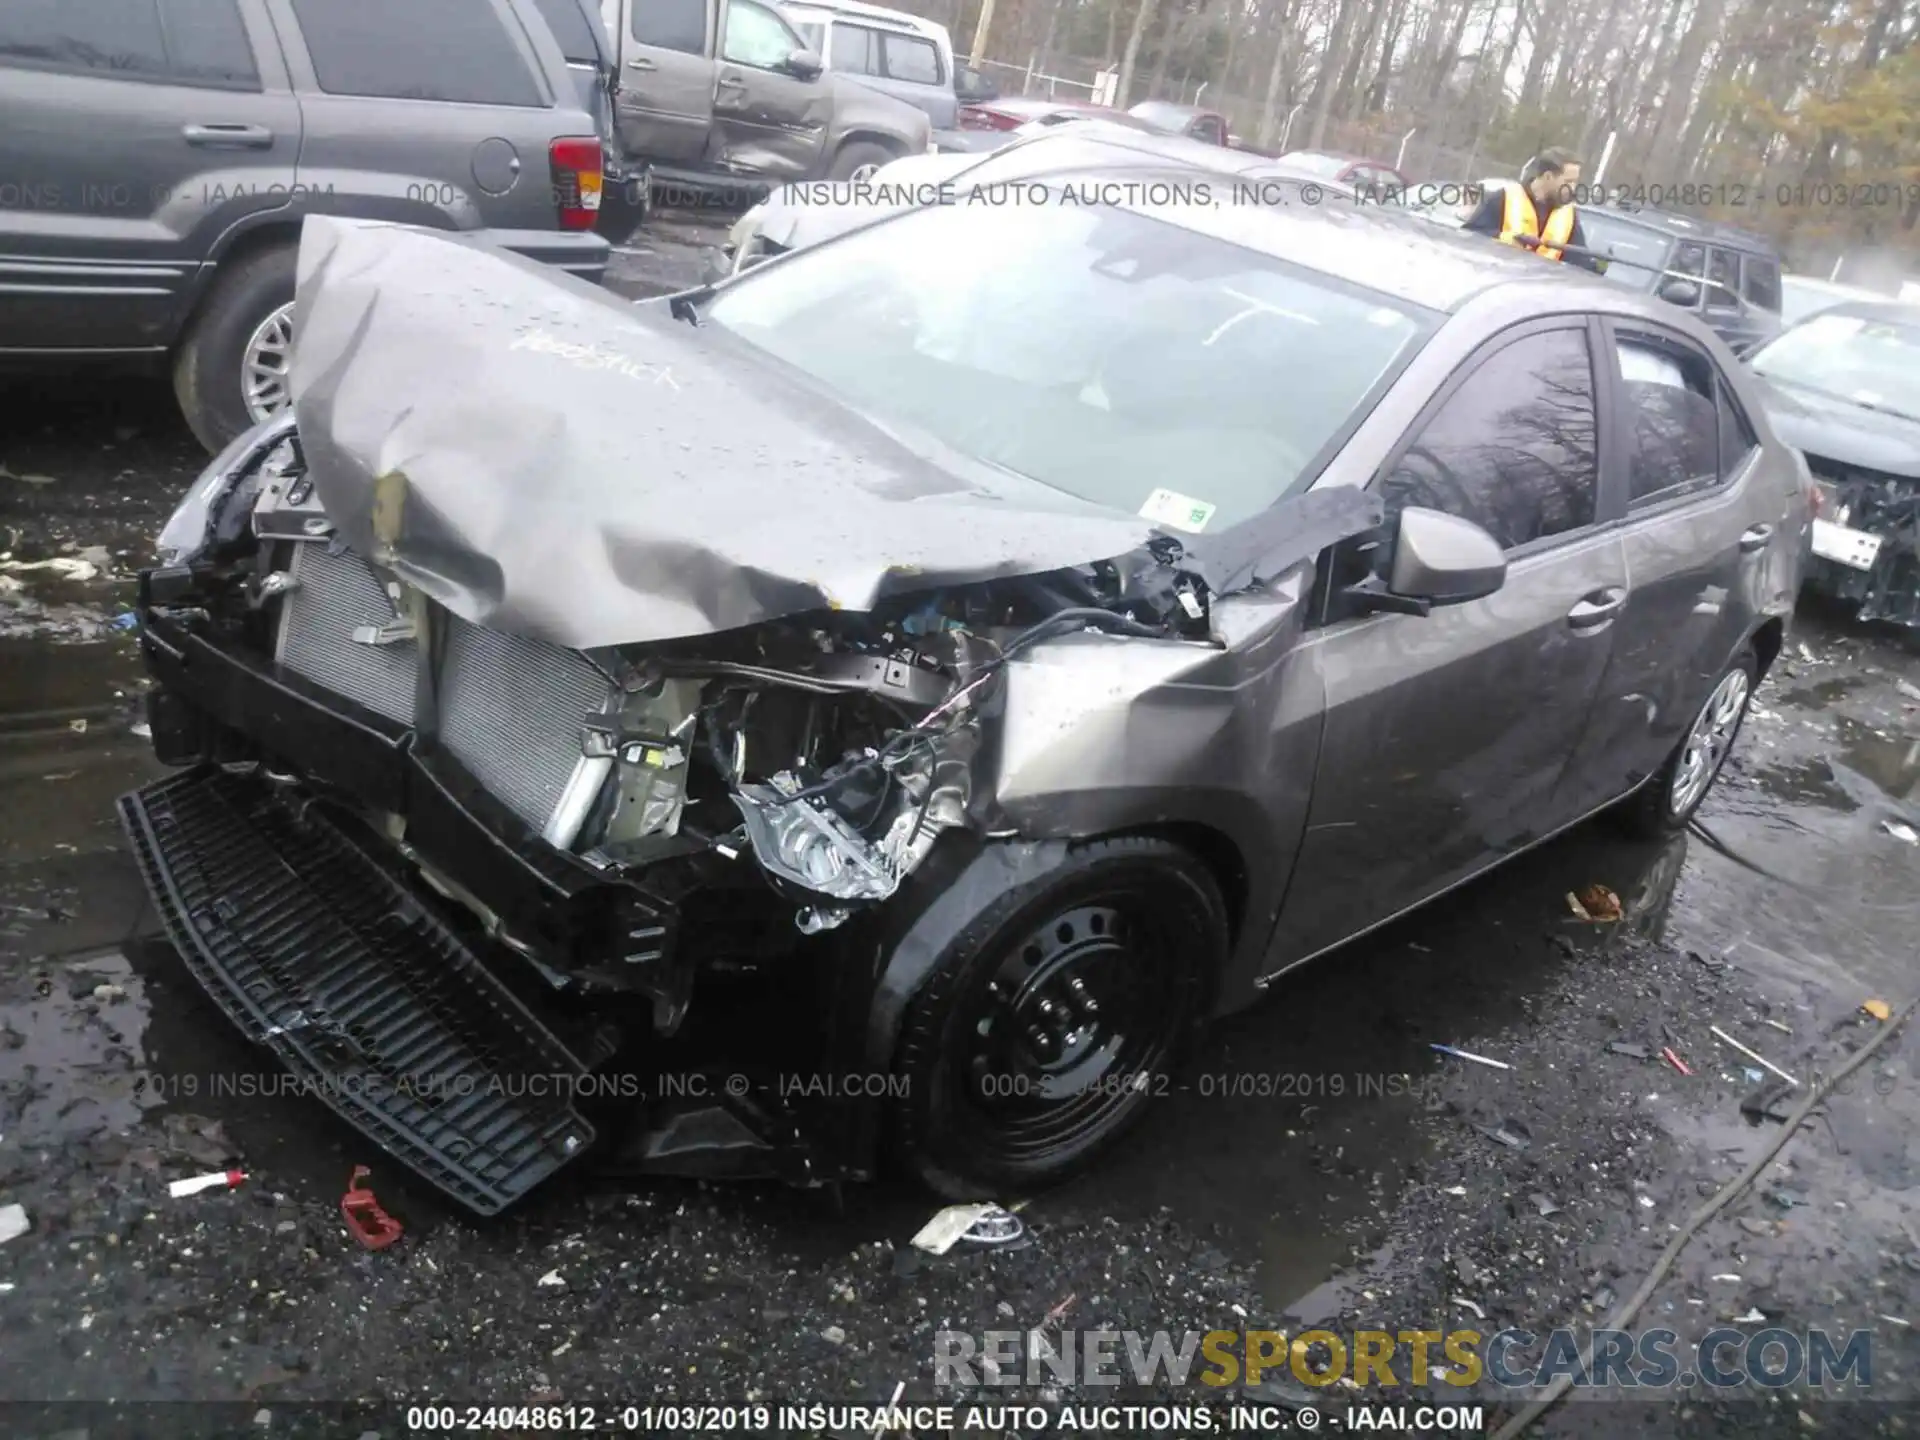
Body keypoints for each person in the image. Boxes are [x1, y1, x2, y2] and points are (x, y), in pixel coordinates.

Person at [1461, 149, 1605, 273]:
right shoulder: (1505, 197)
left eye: (1575, 182)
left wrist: (1597, 266)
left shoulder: (1568, 213)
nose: (1573, 188)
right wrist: (1504, 239)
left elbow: (1577, 260)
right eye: (1568, 181)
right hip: (1497, 282)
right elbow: (1469, 236)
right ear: (1548, 176)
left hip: (1537, 294)